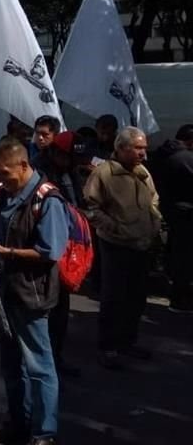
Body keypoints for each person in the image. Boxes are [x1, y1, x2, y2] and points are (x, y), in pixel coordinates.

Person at [0, 137, 66, 445]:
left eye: (4, 172)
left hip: (32, 293)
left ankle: (44, 433)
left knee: (39, 366)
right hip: (4, 292)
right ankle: (18, 422)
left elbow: (50, 251)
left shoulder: (48, 199)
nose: (0, 179)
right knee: (10, 365)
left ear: (24, 164)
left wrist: (9, 253)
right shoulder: (5, 194)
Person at [83, 126, 161, 369]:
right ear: (121, 148)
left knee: (136, 297)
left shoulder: (142, 172)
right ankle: (108, 347)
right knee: (113, 297)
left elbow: (153, 199)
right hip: (116, 245)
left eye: (144, 149)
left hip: (142, 244)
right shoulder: (104, 174)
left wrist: (154, 220)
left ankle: (128, 341)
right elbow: (91, 208)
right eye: (138, 148)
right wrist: (116, 228)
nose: (143, 154)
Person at [31, 130, 87, 378]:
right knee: (47, 309)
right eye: (67, 157)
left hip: (68, 246)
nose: (71, 162)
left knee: (61, 307)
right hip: (46, 247)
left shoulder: (70, 171)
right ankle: (43, 362)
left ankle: (56, 356)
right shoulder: (39, 175)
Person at [150, 124, 193, 313]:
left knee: (177, 254)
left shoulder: (161, 154)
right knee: (185, 258)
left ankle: (177, 295)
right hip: (186, 214)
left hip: (169, 210)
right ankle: (181, 299)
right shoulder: (185, 158)